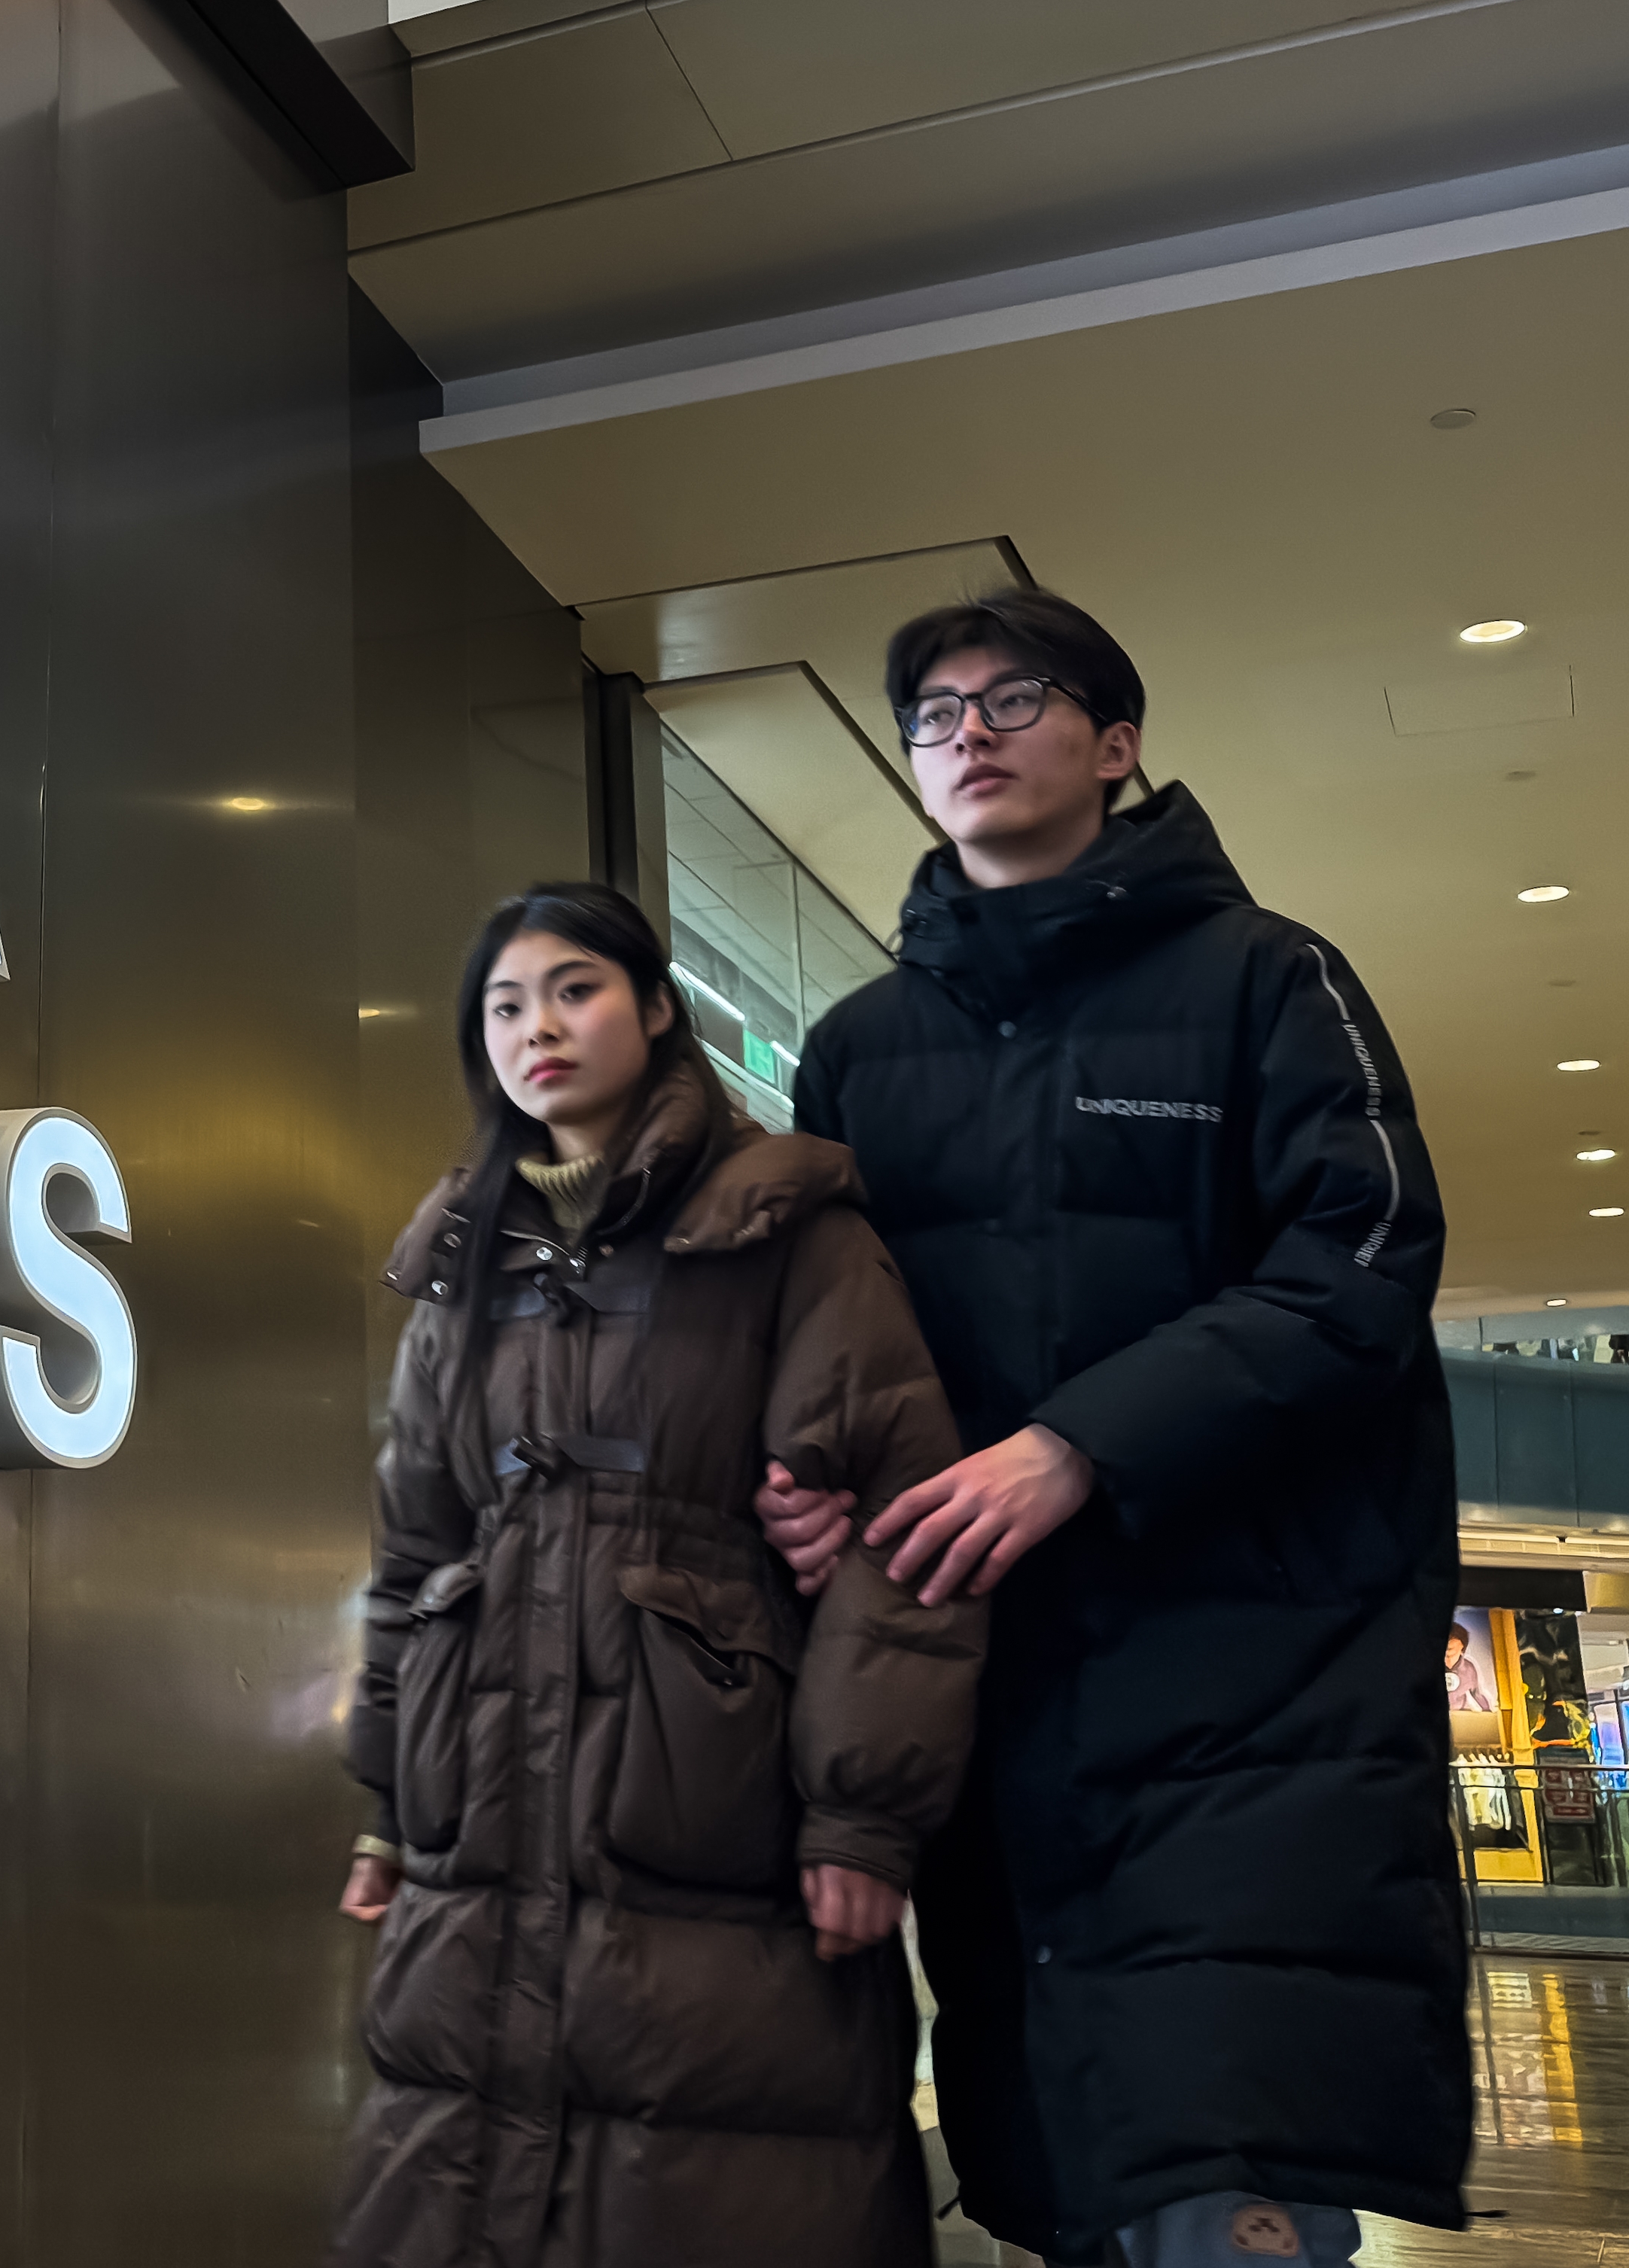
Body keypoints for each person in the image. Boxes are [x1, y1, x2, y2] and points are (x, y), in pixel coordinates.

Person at [753, 589, 1469, 2267]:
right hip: (992, 1696)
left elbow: (1361, 1258)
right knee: (1052, 2165)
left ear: (1117, 744)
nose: (970, 733)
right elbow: (835, 1343)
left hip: (1253, 1691)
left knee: (1222, 2176)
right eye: (935, 715)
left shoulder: (1268, 976)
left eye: (1016, 698)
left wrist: (1078, 1444)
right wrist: (819, 1498)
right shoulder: (860, 1048)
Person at [332, 880, 984, 2267]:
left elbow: (902, 1532)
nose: (537, 1029)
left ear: (655, 1009)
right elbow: (412, 1551)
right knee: (457, 2180)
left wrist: (862, 1819)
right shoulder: (459, 1263)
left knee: (709, 2187)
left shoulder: (785, 1227)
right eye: (503, 1007)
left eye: (573, 989)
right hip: (483, 1822)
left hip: (715, 1811)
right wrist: (386, 1801)